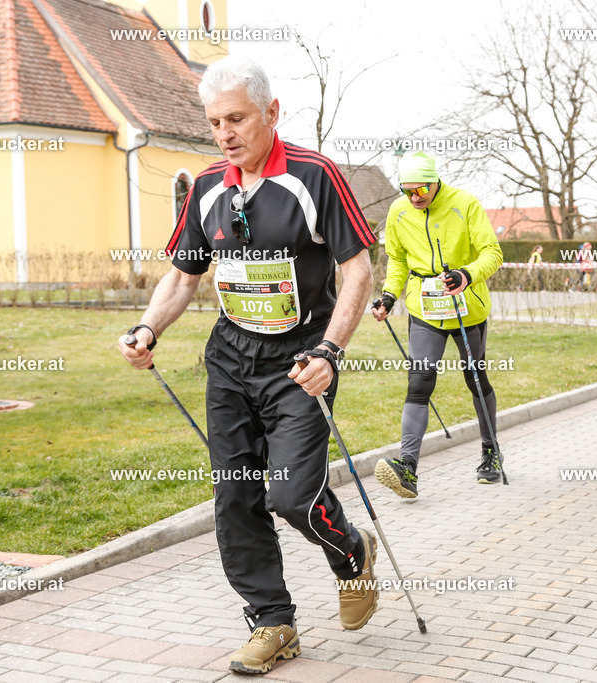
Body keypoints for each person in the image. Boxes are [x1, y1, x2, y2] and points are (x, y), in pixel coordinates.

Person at [118, 56, 378, 675]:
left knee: (290, 495)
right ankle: (272, 623)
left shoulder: (314, 177)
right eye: (214, 122)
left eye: (236, 118)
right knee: (235, 497)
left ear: (271, 113)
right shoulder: (209, 186)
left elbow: (357, 271)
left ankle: (349, 552)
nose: (225, 133)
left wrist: (331, 351)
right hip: (232, 360)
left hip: (301, 361)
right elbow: (183, 277)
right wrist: (147, 326)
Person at [371, 151, 504, 496]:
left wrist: (466, 274)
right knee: (420, 381)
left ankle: (491, 452)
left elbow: (492, 252)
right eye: (407, 191)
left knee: (475, 378)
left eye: (420, 191)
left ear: (435, 182)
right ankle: (408, 468)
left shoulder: (465, 203)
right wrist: (388, 295)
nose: (414, 198)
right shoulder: (399, 211)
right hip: (425, 308)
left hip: (466, 306)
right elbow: (397, 261)